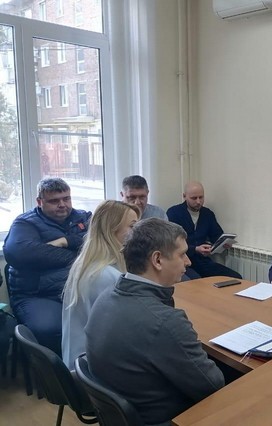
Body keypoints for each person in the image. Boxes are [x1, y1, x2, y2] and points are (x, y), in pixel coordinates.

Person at [85, 218, 225, 425]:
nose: (188, 262)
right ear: (157, 260)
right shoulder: (165, 322)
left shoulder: (105, 297)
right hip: (166, 417)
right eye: (182, 254)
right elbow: (213, 386)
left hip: (123, 412)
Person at [3, 178, 91, 355]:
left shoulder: (83, 217)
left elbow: (101, 242)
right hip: (38, 294)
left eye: (66, 198)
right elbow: (20, 253)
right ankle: (59, 370)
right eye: (54, 200)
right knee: (50, 329)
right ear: (39, 201)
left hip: (80, 290)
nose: (62, 204)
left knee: (110, 319)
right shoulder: (25, 223)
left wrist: (66, 241)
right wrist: (80, 254)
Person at [61, 200, 140, 369]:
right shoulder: (108, 277)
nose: (138, 233)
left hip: (79, 362)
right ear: (111, 229)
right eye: (133, 226)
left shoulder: (88, 265)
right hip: (92, 370)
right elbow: (125, 334)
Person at [167, 181, 241, 279]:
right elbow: (172, 243)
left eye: (201, 197)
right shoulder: (174, 213)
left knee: (236, 277)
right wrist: (195, 249)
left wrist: (224, 243)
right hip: (182, 261)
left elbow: (216, 235)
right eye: (194, 198)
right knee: (196, 281)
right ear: (184, 196)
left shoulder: (207, 214)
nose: (198, 201)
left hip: (203, 261)